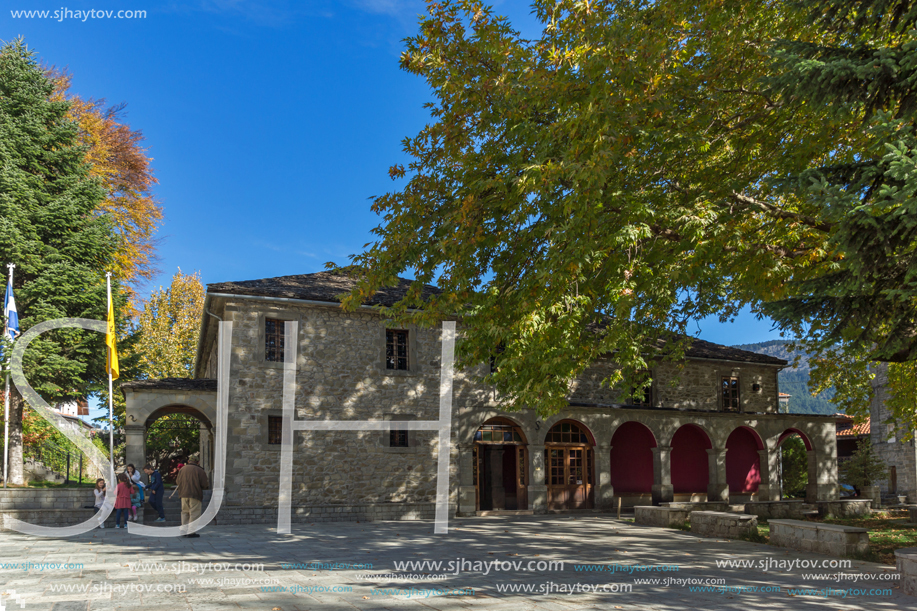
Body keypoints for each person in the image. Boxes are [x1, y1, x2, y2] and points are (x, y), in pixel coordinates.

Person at [173, 457, 210, 538]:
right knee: (194, 513)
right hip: (195, 494)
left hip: (183, 494)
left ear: (189, 461)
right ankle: (191, 531)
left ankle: (183, 529)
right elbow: (204, 484)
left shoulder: (182, 469)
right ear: (197, 462)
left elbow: (177, 481)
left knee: (185, 512)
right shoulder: (200, 470)